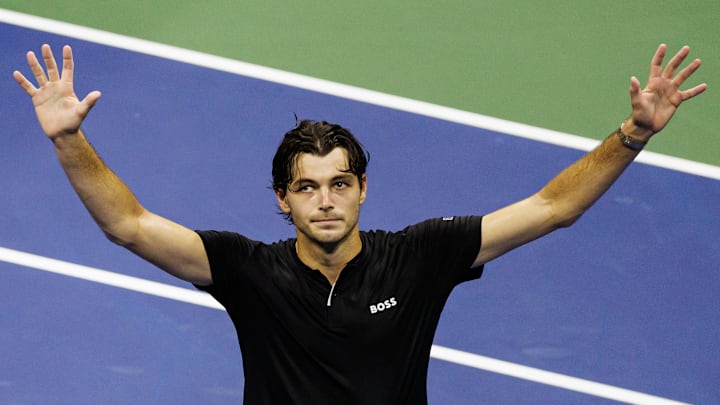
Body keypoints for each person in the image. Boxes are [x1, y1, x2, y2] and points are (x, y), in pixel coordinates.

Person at [13, 43, 706, 404]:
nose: (325, 200)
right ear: (281, 199)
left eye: (339, 183)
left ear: (363, 189)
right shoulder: (248, 271)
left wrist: (633, 135)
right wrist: (68, 139)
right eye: (307, 187)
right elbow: (128, 225)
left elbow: (555, 207)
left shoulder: (421, 256)